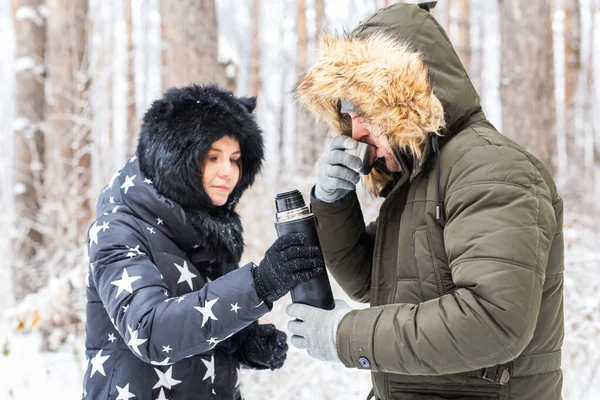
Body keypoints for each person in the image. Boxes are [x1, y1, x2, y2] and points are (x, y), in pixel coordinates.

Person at [286, 3, 564, 400]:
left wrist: (344, 335)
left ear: (405, 98)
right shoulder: (421, 177)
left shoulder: (490, 167)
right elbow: (370, 282)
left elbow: (493, 322)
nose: (356, 130)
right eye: (348, 111)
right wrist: (333, 202)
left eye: (365, 108)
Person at [82, 84, 325, 400]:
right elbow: (149, 331)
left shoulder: (206, 225)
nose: (228, 172)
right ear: (175, 157)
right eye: (213, 157)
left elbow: (197, 317)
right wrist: (260, 285)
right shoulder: (119, 227)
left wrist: (241, 342)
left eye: (236, 159)